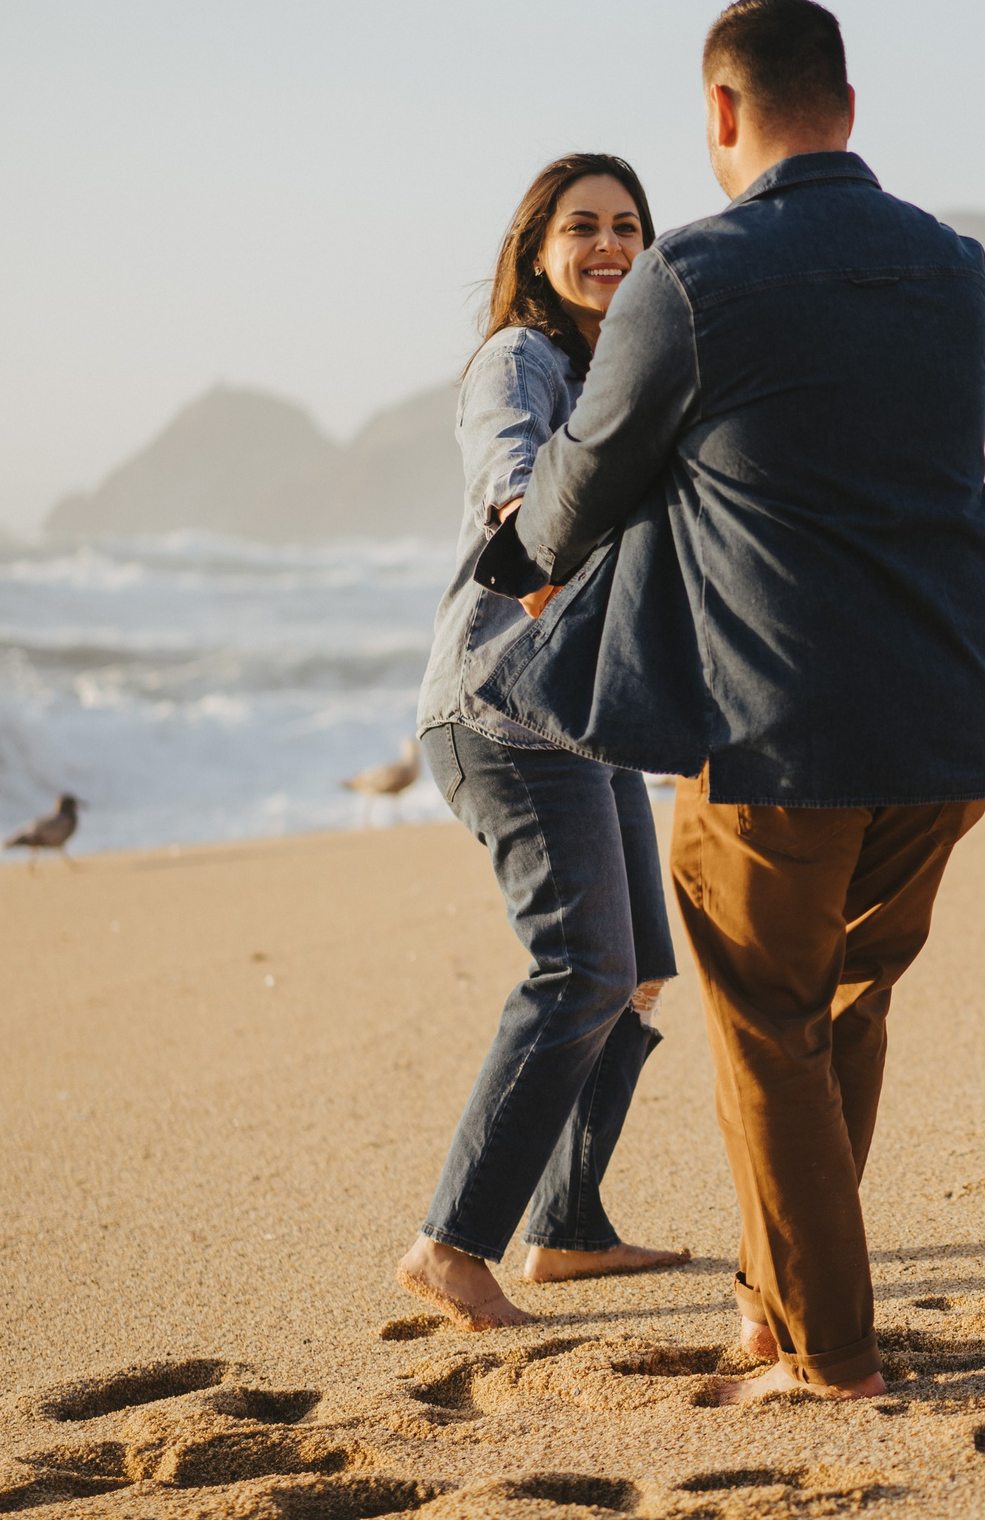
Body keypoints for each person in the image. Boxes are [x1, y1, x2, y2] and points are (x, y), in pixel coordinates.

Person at [470, 0, 985, 1402]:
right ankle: (774, 1309)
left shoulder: (693, 275)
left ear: (720, 110)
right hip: (946, 716)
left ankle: (831, 1354)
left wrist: (523, 542)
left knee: (769, 1028)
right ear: (847, 104)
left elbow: (577, 492)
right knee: (845, 1013)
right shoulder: (956, 269)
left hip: (775, 728)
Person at [395, 153, 689, 1333]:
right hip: (505, 706)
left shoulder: (625, 372)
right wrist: (560, 560)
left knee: (638, 970)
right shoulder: (519, 357)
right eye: (582, 227)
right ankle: (451, 1244)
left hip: (587, 714)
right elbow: (516, 490)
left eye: (627, 226)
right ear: (537, 249)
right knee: (582, 968)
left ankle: (565, 1227)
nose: (608, 245)